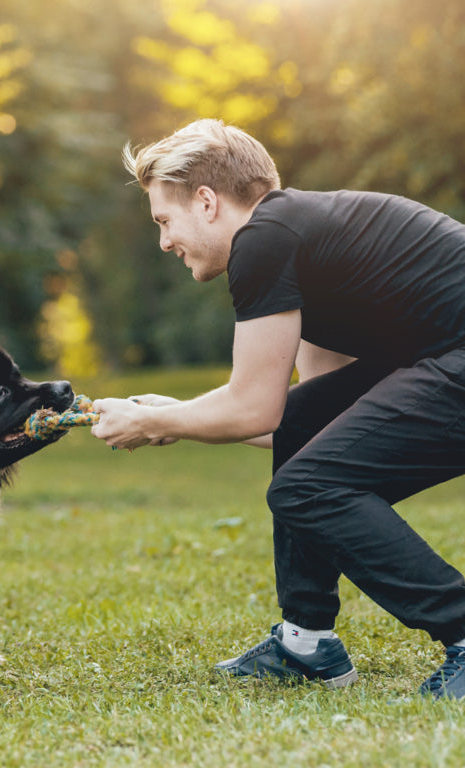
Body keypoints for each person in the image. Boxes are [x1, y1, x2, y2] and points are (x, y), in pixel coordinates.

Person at [93, 118, 465, 698]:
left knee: (307, 487)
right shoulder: (300, 239)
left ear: (207, 202)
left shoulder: (265, 241)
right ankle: (306, 642)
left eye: (165, 221)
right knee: (308, 461)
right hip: (444, 357)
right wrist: (179, 414)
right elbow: (299, 422)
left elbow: (254, 412)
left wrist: (154, 419)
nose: (165, 242)